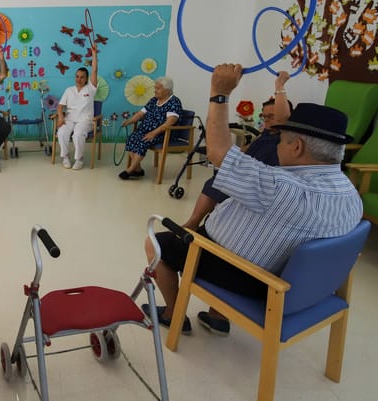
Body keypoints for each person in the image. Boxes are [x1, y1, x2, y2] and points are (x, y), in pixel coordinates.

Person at [144, 63, 362, 337]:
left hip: (252, 277)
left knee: (157, 244)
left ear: (297, 147)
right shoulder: (351, 195)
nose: (277, 143)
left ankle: (172, 313)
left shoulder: (282, 188)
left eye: (281, 139)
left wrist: (219, 92)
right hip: (298, 284)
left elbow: (218, 152)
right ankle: (217, 316)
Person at [181, 72, 293, 229]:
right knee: (214, 182)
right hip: (244, 169)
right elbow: (250, 147)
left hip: (260, 178)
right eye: (265, 116)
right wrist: (239, 152)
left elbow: (283, 119)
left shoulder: (285, 137)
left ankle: (209, 224)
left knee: (225, 187)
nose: (267, 120)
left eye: (271, 117)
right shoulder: (266, 133)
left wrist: (279, 86)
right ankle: (193, 222)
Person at [119, 76, 182, 180]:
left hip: (163, 133)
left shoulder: (174, 102)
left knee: (143, 142)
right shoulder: (153, 100)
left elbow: (170, 122)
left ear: (167, 91)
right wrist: (129, 121)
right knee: (131, 139)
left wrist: (154, 133)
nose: (155, 91)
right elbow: (140, 113)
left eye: (158, 88)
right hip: (145, 130)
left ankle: (129, 170)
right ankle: (138, 170)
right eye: (155, 88)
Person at [55, 46, 98, 170]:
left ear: (86, 78)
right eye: (77, 76)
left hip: (85, 120)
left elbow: (94, 70)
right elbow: (60, 106)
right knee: (62, 132)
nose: (79, 79)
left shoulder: (91, 88)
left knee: (78, 134)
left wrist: (94, 55)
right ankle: (65, 157)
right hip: (70, 119)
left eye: (82, 77)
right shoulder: (69, 90)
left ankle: (79, 159)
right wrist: (61, 117)